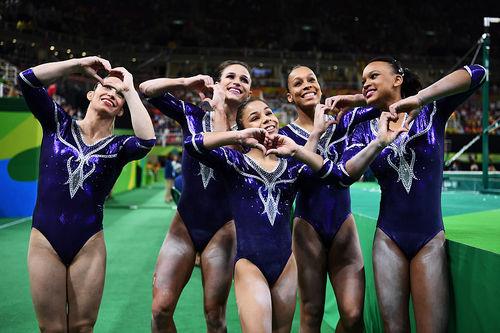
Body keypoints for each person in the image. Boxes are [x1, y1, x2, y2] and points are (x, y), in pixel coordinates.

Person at [184, 97, 404, 333]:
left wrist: (312, 136)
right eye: (255, 117)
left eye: (269, 113)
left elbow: (328, 174)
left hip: (286, 265)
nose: (266, 119)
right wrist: (237, 136)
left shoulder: (291, 167)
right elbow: (192, 144)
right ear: (244, 127)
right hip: (249, 264)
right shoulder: (235, 162)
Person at [341, 57, 486, 332]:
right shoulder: (361, 127)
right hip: (388, 240)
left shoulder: (432, 111)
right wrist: (378, 142)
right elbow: (347, 172)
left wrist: (420, 97)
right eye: (363, 81)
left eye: (373, 76)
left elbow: (478, 73)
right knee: (393, 328)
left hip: (429, 239)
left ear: (398, 79)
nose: (365, 83)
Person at [18, 56, 156, 332]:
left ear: (121, 110)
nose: (112, 94)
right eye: (107, 86)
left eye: (119, 94)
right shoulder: (58, 125)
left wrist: (130, 90)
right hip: (45, 239)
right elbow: (27, 80)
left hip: (88, 244)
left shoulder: (119, 147)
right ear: (91, 93)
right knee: (51, 328)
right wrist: (77, 64)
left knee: (83, 327)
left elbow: (147, 141)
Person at [139, 61, 252, 332]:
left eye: (244, 79)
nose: (237, 81)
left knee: (215, 317)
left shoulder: (249, 133)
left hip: (223, 230)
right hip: (184, 225)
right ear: (217, 82)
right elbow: (147, 90)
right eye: (231, 76)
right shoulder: (191, 116)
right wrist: (187, 82)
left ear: (248, 93)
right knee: (160, 311)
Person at [280, 65, 380, 332]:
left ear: (321, 86)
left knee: (353, 314)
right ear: (289, 96)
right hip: (306, 228)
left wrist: (356, 98)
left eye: (311, 79)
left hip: (342, 225)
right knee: (311, 312)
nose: (307, 85)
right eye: (298, 84)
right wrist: (314, 134)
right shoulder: (285, 136)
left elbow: (386, 101)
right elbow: (295, 180)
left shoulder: (344, 122)